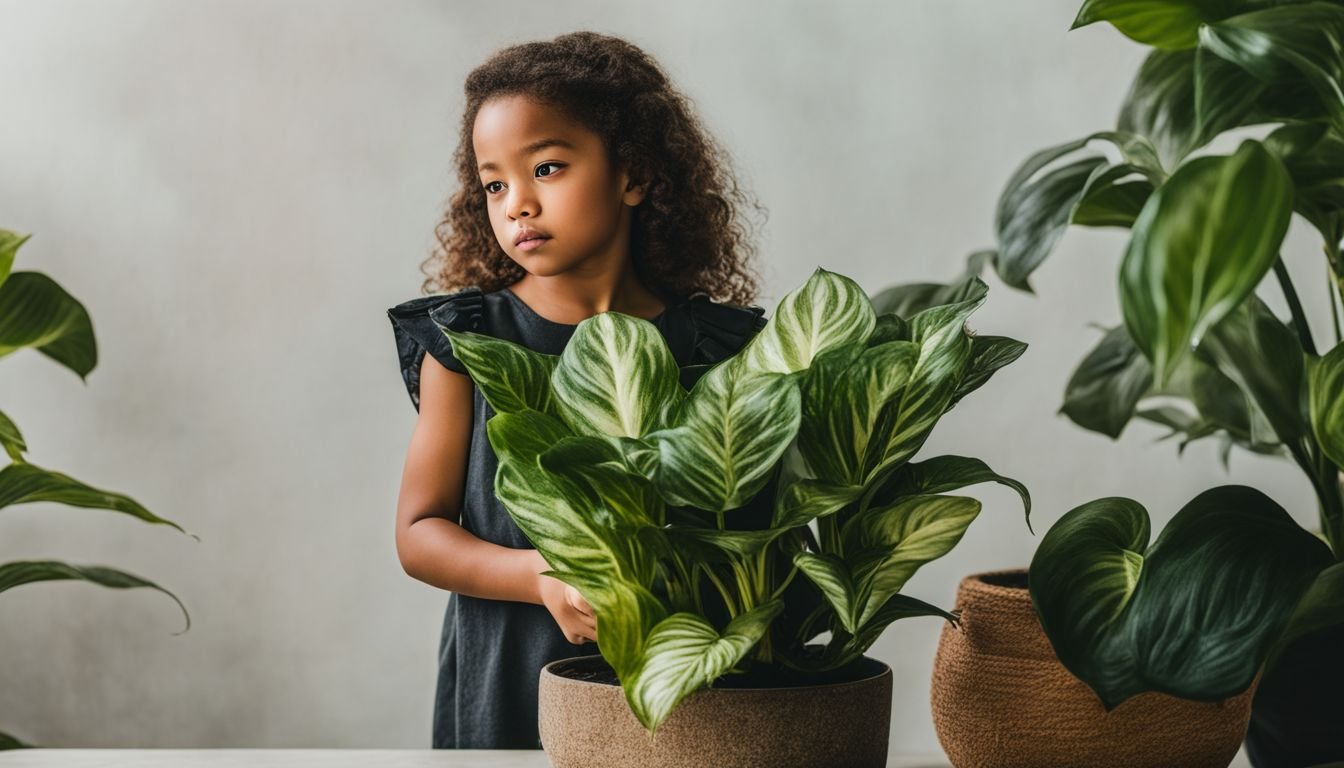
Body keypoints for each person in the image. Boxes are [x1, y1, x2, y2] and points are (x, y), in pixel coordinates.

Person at [385, 31, 770, 750]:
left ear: (634, 175)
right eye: (494, 183)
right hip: (511, 675)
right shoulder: (469, 341)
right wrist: (541, 576)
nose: (516, 205)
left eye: (548, 167)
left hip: (685, 681)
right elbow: (418, 535)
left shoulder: (717, 346)